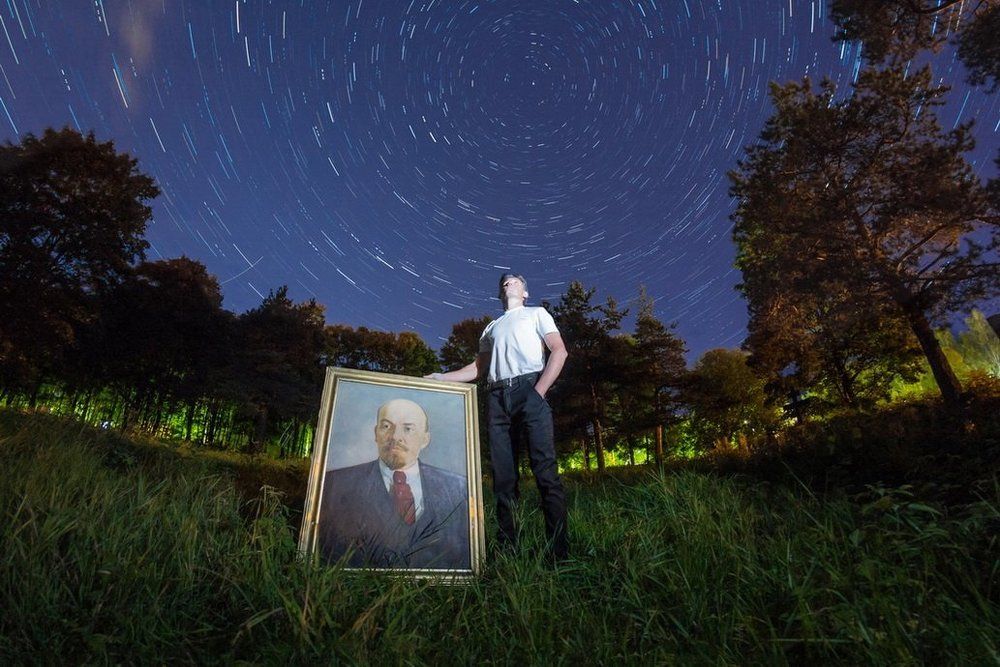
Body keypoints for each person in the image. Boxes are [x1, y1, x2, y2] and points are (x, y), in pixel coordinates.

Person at [428, 273, 569, 561]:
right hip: (496, 398)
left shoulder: (536, 314)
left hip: (529, 388)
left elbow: (559, 351)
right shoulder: (490, 328)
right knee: (504, 479)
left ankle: (558, 554)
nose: (508, 282)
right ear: (499, 294)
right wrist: (442, 378)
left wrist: (539, 391)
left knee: (545, 474)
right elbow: (478, 369)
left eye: (516, 280)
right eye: (505, 282)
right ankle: (509, 552)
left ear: (525, 292)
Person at [318, 398, 469, 569]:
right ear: (376, 433)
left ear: (425, 439)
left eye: (408, 428)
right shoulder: (334, 484)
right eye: (386, 426)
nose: (396, 436)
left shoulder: (458, 488)